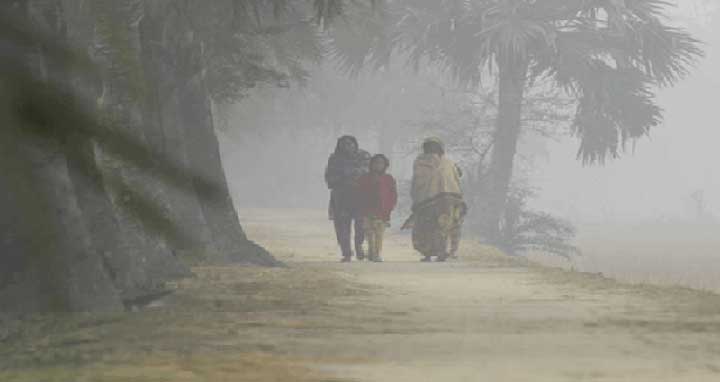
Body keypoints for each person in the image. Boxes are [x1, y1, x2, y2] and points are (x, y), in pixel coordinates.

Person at [409, 137, 467, 262]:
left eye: (434, 147)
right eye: (429, 147)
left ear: (440, 149)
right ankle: (428, 252)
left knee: (443, 225)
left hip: (447, 199)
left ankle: (443, 251)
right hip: (428, 200)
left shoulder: (448, 162)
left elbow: (456, 175)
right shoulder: (420, 162)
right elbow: (417, 180)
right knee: (428, 226)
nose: (432, 150)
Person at [325, 135, 371, 262]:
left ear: (355, 144)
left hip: (360, 196)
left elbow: (371, 173)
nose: (347, 147)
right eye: (344, 144)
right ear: (339, 146)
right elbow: (329, 177)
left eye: (350, 144)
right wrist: (344, 177)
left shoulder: (364, 156)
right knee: (342, 226)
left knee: (361, 225)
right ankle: (346, 252)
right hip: (341, 197)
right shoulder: (335, 159)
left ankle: (359, 247)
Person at [356, 154, 398, 262]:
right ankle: (371, 251)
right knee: (369, 233)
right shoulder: (364, 178)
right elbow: (359, 193)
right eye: (376, 163)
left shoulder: (388, 179)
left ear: (385, 165)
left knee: (379, 233)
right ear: (371, 164)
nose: (378, 165)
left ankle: (377, 253)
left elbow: (393, 194)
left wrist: (390, 206)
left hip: (382, 211)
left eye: (381, 163)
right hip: (367, 210)